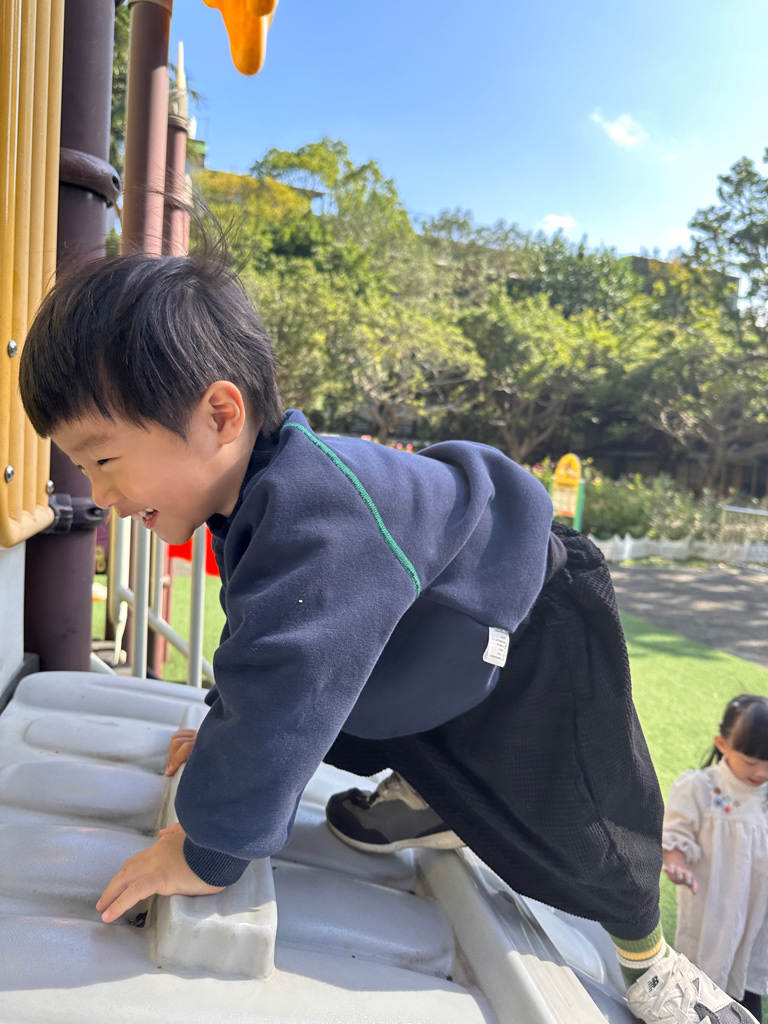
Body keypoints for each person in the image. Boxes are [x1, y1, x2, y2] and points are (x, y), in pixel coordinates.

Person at [18, 243, 757, 1024]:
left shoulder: (314, 509)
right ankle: (437, 798)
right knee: (361, 694)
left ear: (221, 415)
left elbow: (286, 681)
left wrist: (208, 849)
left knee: (586, 814)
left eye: (103, 459)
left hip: (531, 617)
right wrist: (221, 729)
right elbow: (262, 642)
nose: (98, 493)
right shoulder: (257, 501)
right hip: (432, 641)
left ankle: (650, 962)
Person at [662, 695, 768, 1022]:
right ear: (722, 744)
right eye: (750, 762)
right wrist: (676, 862)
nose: (761, 771)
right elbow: (676, 832)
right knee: (696, 995)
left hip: (757, 918)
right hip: (712, 911)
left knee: (745, 992)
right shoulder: (701, 788)